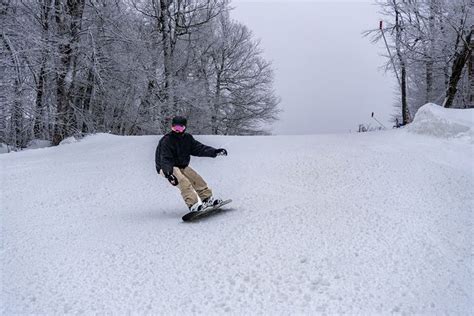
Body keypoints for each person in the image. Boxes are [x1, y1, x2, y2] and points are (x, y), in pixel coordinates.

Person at [155, 116, 228, 212]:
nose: (177, 130)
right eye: (175, 128)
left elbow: (199, 148)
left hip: (181, 165)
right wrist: (169, 174)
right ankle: (193, 205)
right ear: (172, 127)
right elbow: (165, 159)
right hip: (166, 167)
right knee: (183, 181)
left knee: (196, 179)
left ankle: (207, 199)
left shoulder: (187, 139)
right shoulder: (167, 140)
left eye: (180, 128)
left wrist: (215, 152)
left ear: (185, 128)